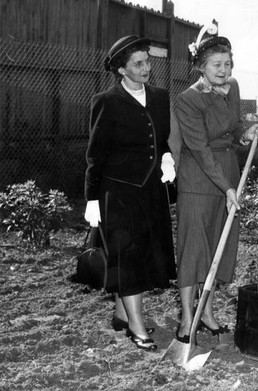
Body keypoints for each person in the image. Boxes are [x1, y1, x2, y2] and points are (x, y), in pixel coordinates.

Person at [84, 35, 177, 351]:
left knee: (147, 254)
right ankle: (137, 326)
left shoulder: (161, 97)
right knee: (130, 257)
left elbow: (162, 140)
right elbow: (96, 155)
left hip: (152, 190)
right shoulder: (106, 102)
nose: (146, 67)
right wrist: (92, 198)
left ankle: (122, 316)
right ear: (122, 70)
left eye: (147, 61)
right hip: (119, 193)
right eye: (138, 63)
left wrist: (166, 159)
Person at [173, 26, 258, 342]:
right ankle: (185, 319)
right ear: (201, 67)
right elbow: (199, 148)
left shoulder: (232, 87)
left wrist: (244, 133)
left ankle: (206, 313)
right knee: (193, 248)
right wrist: (227, 188)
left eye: (227, 63)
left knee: (218, 247)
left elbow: (233, 126)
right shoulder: (188, 100)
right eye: (216, 65)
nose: (224, 70)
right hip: (198, 177)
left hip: (228, 171)